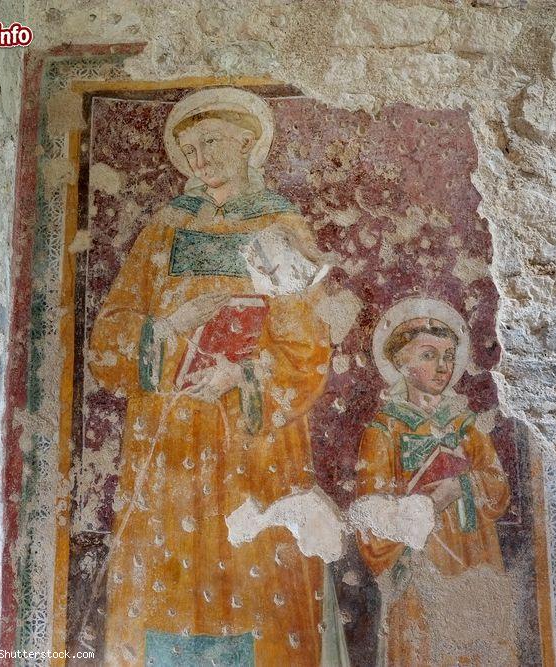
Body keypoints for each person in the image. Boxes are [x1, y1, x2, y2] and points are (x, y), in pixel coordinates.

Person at [87, 87, 330, 666]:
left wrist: (239, 378)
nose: (198, 159)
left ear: (249, 143)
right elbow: (108, 339)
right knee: (164, 591)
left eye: (211, 142)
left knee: (255, 595)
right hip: (168, 439)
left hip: (252, 446)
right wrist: (167, 328)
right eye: (189, 148)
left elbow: (307, 349)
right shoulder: (165, 231)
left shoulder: (281, 228)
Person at [356, 299, 518, 666]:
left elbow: (498, 488)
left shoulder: (465, 424)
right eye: (429, 355)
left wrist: (457, 488)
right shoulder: (384, 431)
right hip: (419, 568)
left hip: (475, 557)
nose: (442, 366)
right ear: (401, 363)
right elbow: (370, 520)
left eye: (448, 356)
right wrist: (416, 511)